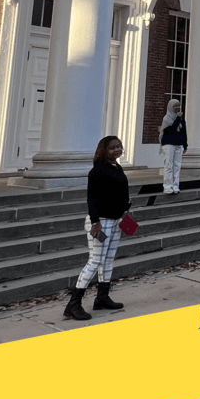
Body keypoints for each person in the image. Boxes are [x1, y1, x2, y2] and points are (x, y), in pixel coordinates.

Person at [63, 136, 132, 321]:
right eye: (112, 148)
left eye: (119, 146)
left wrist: (125, 211)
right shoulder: (97, 171)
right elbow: (91, 198)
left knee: (108, 260)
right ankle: (73, 304)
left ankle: (102, 297)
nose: (116, 150)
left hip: (116, 221)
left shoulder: (117, 167)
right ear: (103, 150)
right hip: (100, 223)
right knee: (95, 261)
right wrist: (95, 222)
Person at [158, 99, 187, 194]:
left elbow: (184, 132)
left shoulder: (181, 119)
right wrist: (178, 119)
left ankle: (175, 186)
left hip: (179, 143)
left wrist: (185, 144)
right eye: (175, 106)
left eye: (178, 106)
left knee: (177, 166)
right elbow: (171, 130)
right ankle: (167, 187)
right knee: (169, 165)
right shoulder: (166, 118)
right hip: (169, 143)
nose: (177, 108)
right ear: (170, 107)